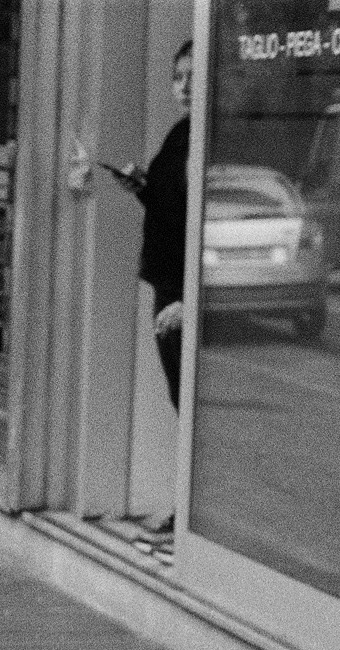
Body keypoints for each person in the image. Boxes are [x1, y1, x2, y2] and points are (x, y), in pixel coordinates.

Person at [115, 40, 192, 409]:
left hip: (185, 291)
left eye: (194, 76)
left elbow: (202, 221)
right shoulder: (181, 133)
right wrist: (142, 188)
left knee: (188, 396)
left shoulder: (205, 139)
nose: (185, 86)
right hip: (169, 286)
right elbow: (173, 206)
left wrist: (190, 301)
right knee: (178, 390)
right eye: (178, 77)